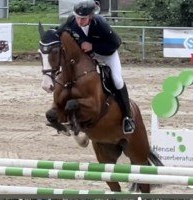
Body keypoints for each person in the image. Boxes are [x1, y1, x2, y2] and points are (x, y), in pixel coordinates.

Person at [57, 0, 135, 134]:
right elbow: (59, 31)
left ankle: (128, 118)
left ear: (91, 17)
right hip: (88, 56)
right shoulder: (71, 21)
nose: (80, 22)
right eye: (78, 18)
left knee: (117, 80)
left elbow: (116, 43)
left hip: (107, 54)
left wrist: (94, 46)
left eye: (83, 19)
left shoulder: (100, 23)